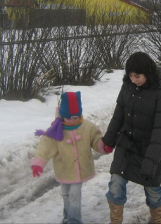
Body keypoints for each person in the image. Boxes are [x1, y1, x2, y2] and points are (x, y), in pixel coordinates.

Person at [102, 51, 161, 224]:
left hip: (150, 149)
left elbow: (160, 133)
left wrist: (151, 162)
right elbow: (118, 115)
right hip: (126, 145)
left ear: (148, 73)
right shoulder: (127, 87)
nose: (133, 79)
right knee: (115, 184)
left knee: (153, 191)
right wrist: (108, 140)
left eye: (137, 76)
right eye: (130, 75)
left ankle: (157, 220)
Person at [31, 91, 111, 224]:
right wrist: (38, 162)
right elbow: (45, 146)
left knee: (75, 195)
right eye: (68, 118)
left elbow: (96, 140)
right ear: (62, 116)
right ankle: (67, 216)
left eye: (75, 117)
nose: (72, 120)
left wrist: (103, 146)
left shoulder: (87, 127)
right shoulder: (56, 129)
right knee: (66, 194)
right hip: (63, 169)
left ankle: (74, 220)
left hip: (79, 170)